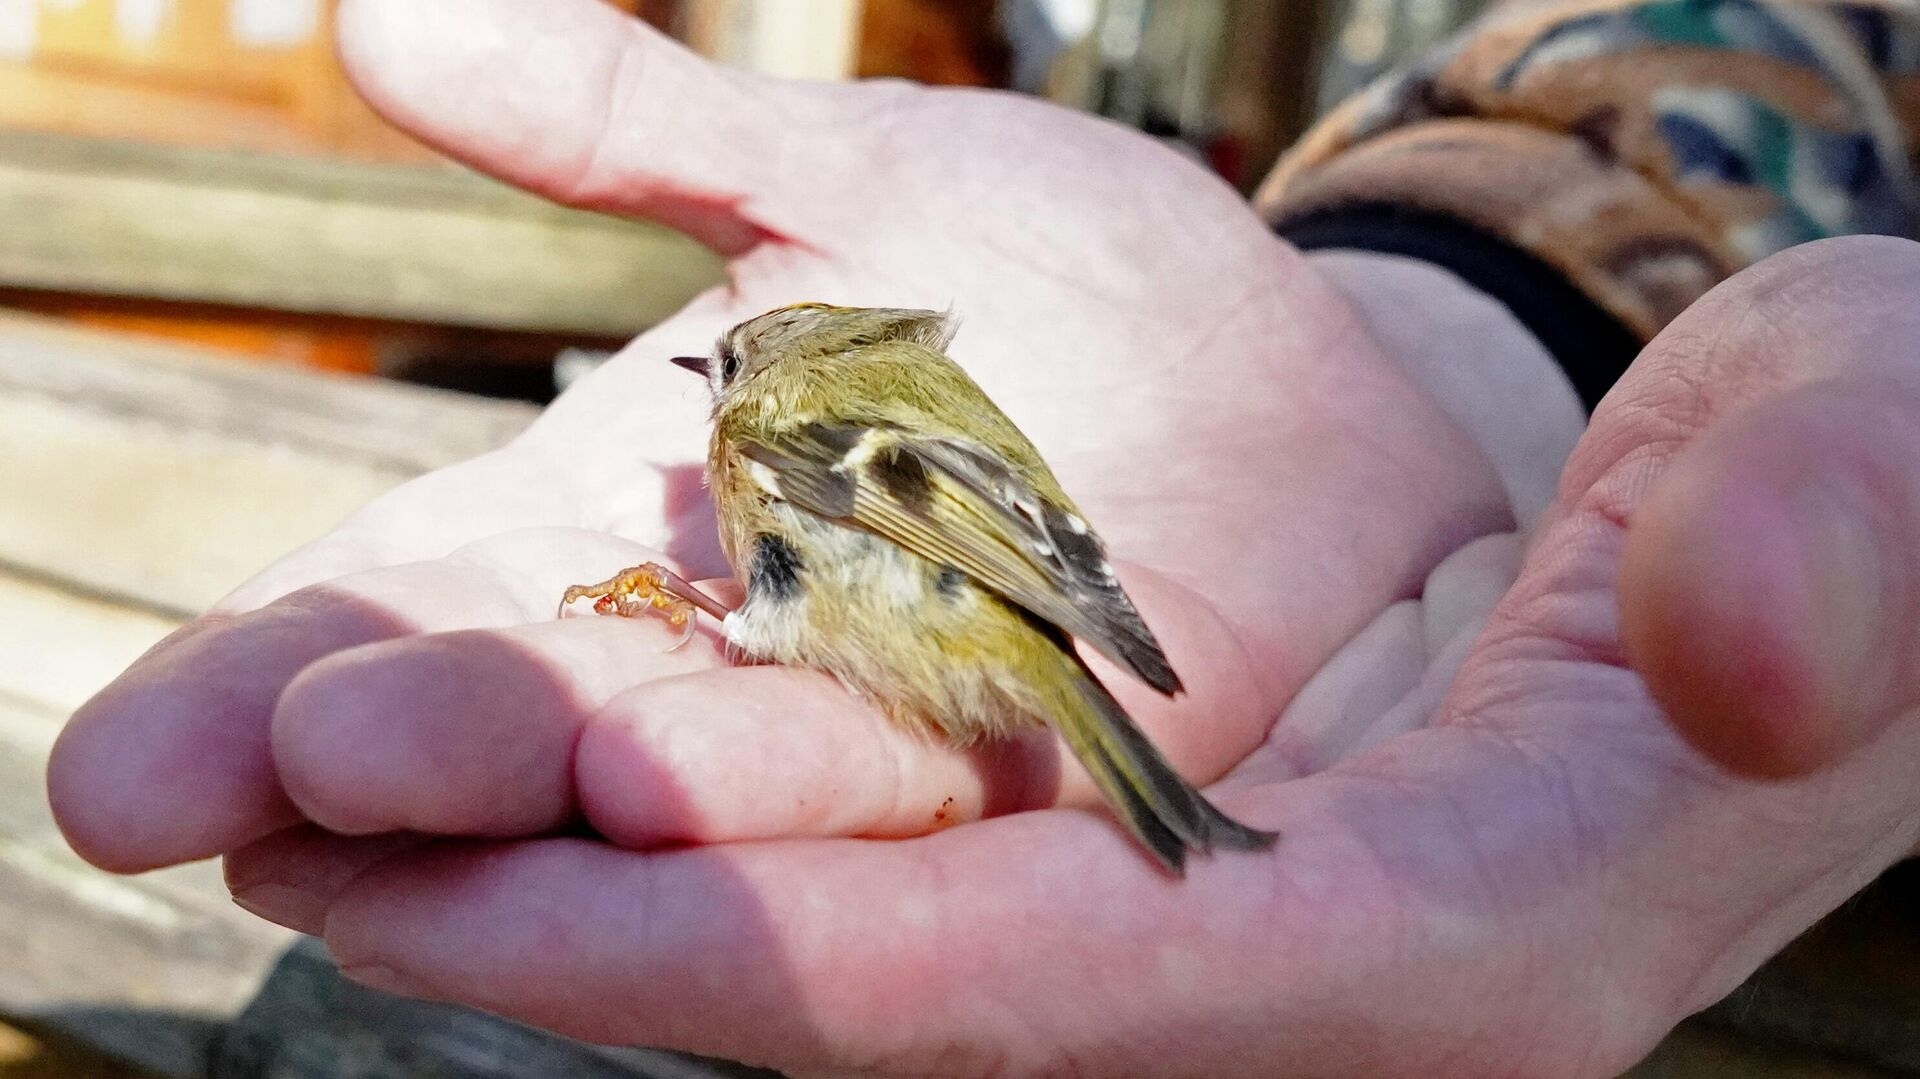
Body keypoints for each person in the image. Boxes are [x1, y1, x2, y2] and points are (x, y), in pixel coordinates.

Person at [45, 0, 1920, 1074]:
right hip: (1017, 584)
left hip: (949, 601)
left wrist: (737, 603)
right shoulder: (871, 397)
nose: (717, 420)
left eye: (727, 393)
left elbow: (868, 544)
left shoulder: (782, 413)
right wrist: (1469, 320)